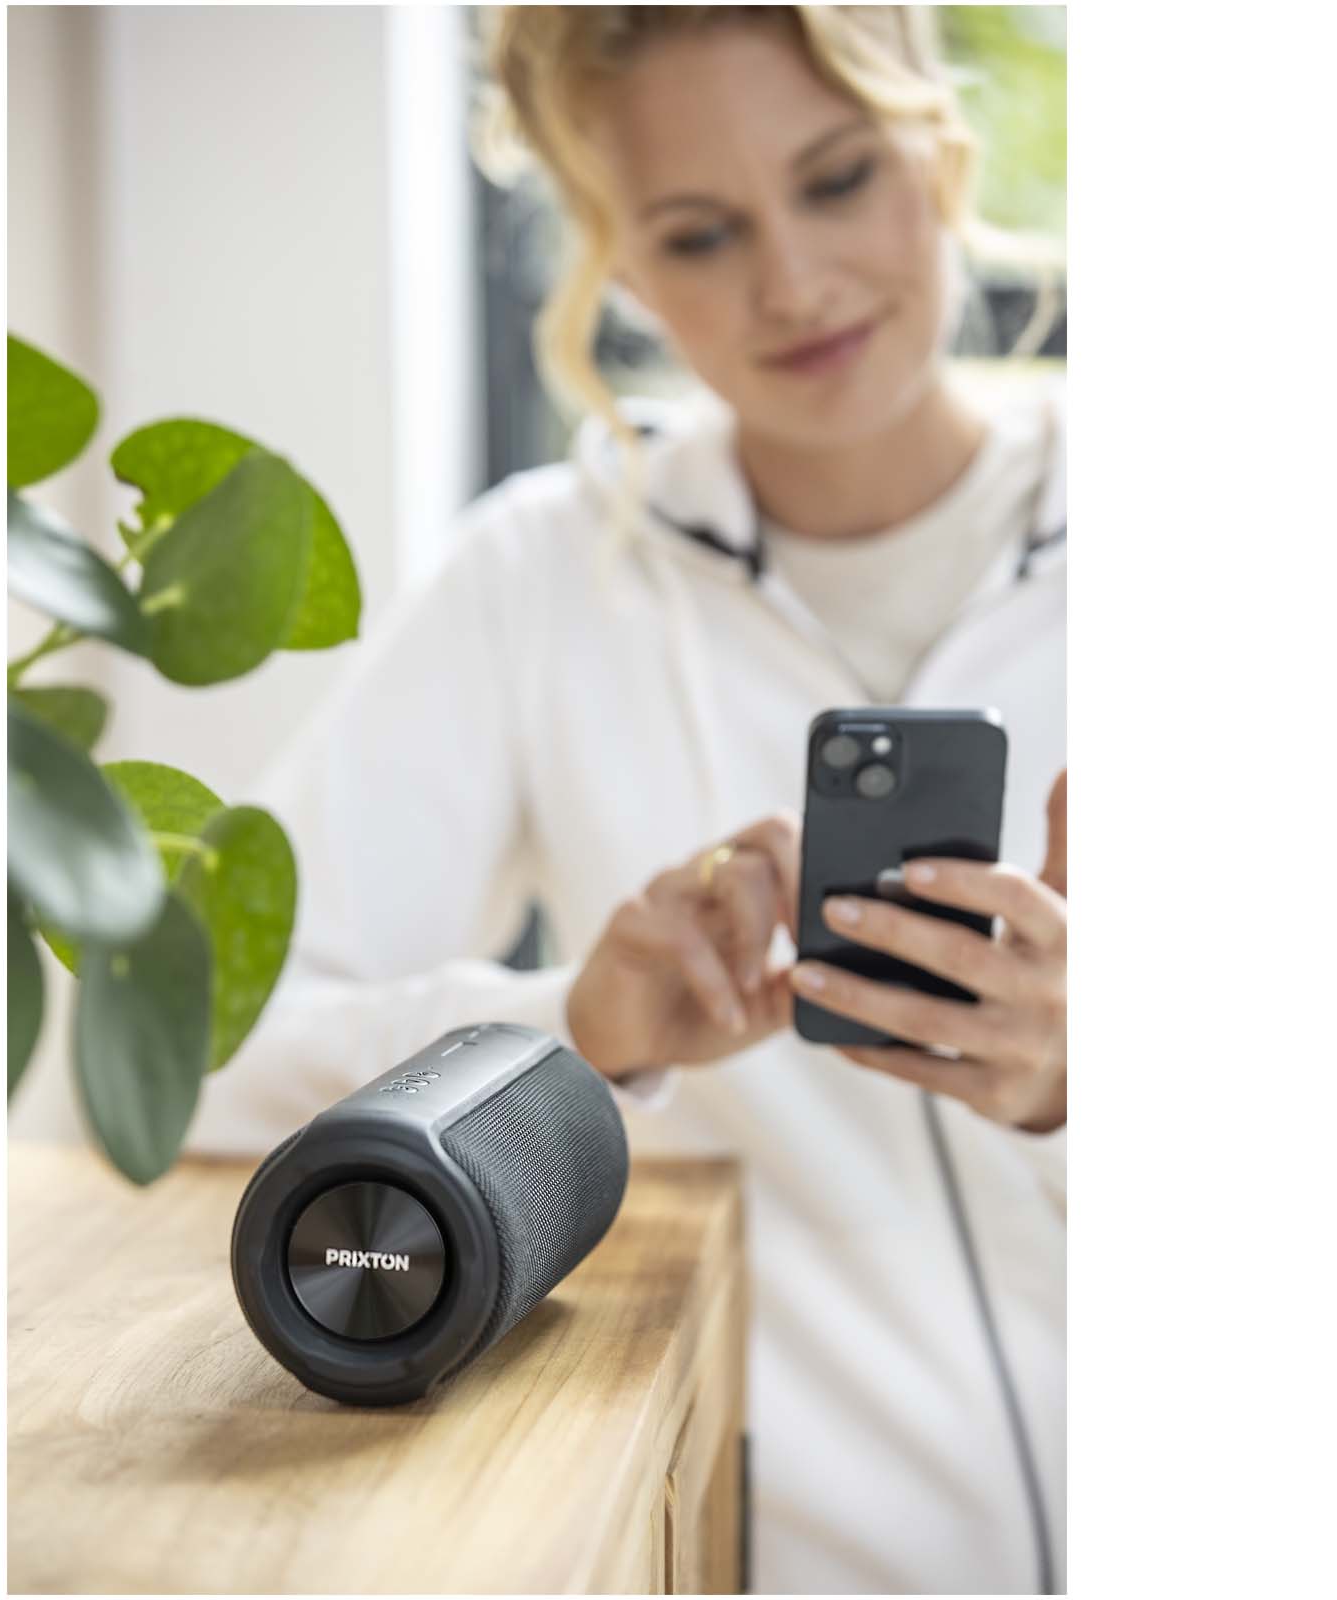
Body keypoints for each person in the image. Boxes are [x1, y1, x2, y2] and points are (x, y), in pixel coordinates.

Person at [191, 6, 1066, 1592]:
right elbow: (193, 1063)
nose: (791, 283)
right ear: (616, 261)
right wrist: (561, 1040)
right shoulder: (541, 579)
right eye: (698, 232)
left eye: (837, 179)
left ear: (938, 147)